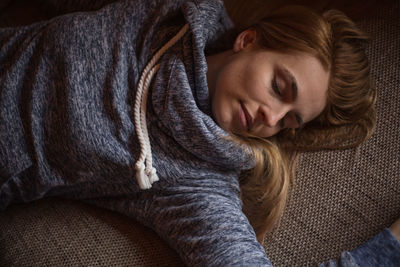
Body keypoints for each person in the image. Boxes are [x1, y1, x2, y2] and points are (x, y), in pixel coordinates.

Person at [0, 0, 399, 265]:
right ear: (248, 41)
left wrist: (391, 247)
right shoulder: (171, 11)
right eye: (279, 87)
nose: (270, 117)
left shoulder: (198, 181)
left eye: (288, 121)